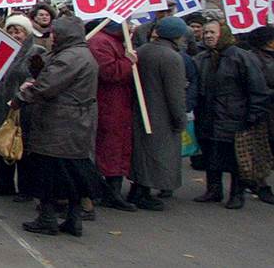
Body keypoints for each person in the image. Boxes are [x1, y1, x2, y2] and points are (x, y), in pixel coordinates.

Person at [12, 16, 100, 237]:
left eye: (54, 33)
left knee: (50, 174)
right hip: (76, 123)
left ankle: (48, 218)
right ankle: (73, 218)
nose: (50, 37)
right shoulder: (79, 54)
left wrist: (20, 97)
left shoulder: (69, 57)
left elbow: (47, 87)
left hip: (60, 123)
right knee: (72, 174)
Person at [193, 20, 270, 208]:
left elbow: (258, 89)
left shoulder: (242, 58)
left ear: (224, 34)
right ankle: (213, 190)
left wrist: (253, 115)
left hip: (235, 117)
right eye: (206, 33)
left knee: (236, 159)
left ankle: (237, 194)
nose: (208, 36)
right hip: (208, 117)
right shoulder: (201, 58)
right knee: (211, 154)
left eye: (212, 32)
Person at [127, 17, 188, 211]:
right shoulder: (172, 58)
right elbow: (175, 93)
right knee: (157, 155)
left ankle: (137, 189)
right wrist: (180, 118)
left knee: (141, 153)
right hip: (161, 115)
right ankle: (142, 193)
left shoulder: (142, 51)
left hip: (141, 110)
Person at [0, 15, 46, 202]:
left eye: (17, 31)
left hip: (24, 107)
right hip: (2, 105)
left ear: (26, 33)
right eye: (10, 31)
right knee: (3, 143)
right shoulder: (2, 50)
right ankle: (5, 184)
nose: (13, 35)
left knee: (22, 147)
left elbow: (39, 77)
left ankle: (26, 189)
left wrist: (26, 87)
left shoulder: (37, 52)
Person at [87, 21, 138, 212]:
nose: (132, 28)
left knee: (116, 147)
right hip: (109, 104)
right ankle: (108, 192)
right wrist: (128, 61)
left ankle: (111, 190)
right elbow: (108, 72)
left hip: (118, 104)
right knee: (109, 148)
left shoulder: (112, 41)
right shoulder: (100, 42)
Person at [246, 25, 274, 204]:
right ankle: (260, 185)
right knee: (261, 150)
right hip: (264, 111)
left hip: (263, 111)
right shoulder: (256, 60)